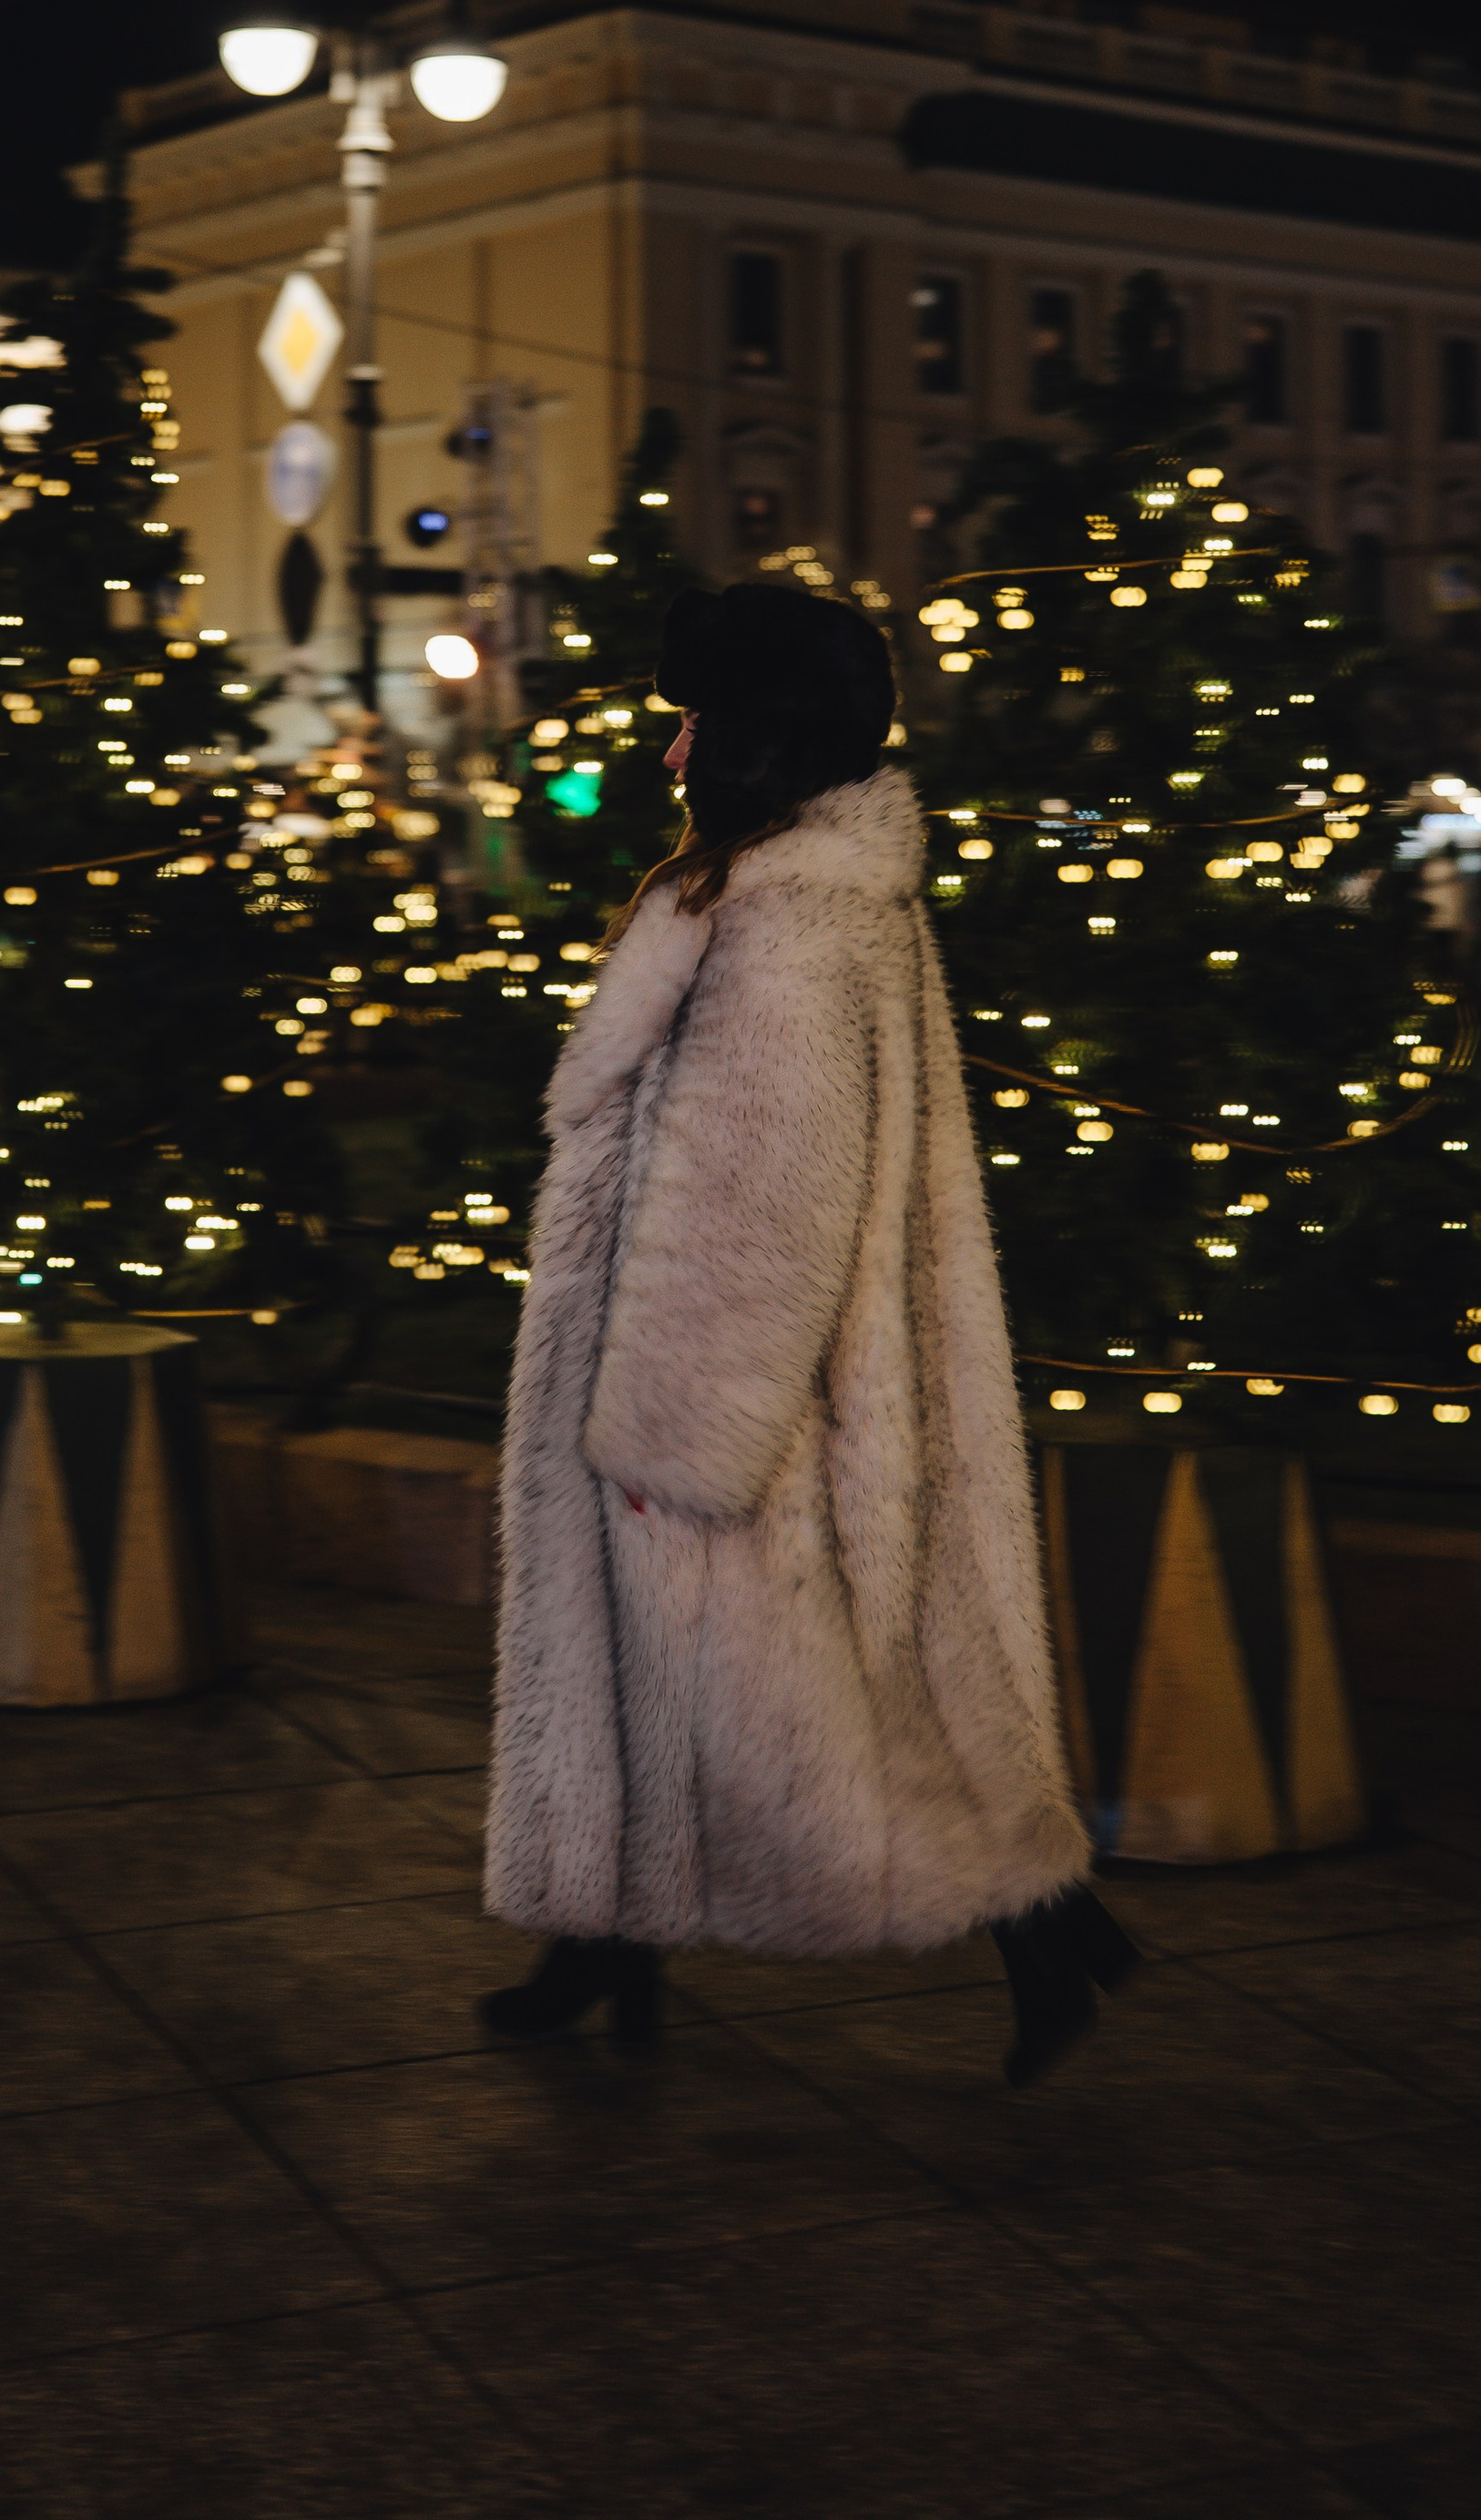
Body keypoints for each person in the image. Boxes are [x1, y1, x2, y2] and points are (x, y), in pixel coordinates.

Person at [481, 580, 1136, 2085]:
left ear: (756, 737)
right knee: (799, 1687)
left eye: (693, 724)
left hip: (732, 1411)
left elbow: (756, 1199)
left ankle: (1041, 1933)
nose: (671, 758)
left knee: (809, 1722)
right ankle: (602, 1946)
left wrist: (671, 1437)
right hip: (768, 1392)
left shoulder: (786, 930)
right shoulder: (810, 902)